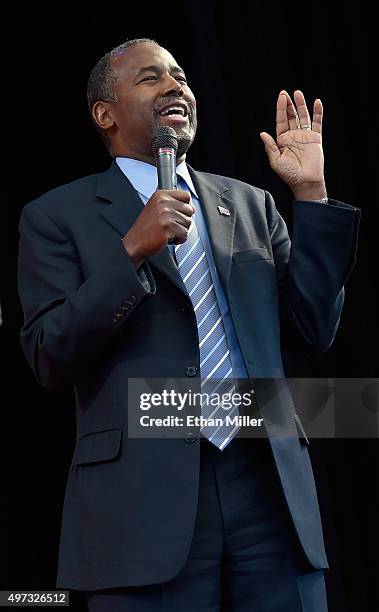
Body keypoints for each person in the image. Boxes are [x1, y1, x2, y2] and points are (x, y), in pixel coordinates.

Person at [17, 38, 360, 611]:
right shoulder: (57, 217)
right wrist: (128, 253)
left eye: (180, 76)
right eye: (151, 78)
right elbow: (49, 354)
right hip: (141, 506)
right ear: (105, 112)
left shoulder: (250, 205)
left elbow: (312, 330)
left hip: (268, 490)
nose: (176, 87)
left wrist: (311, 196)